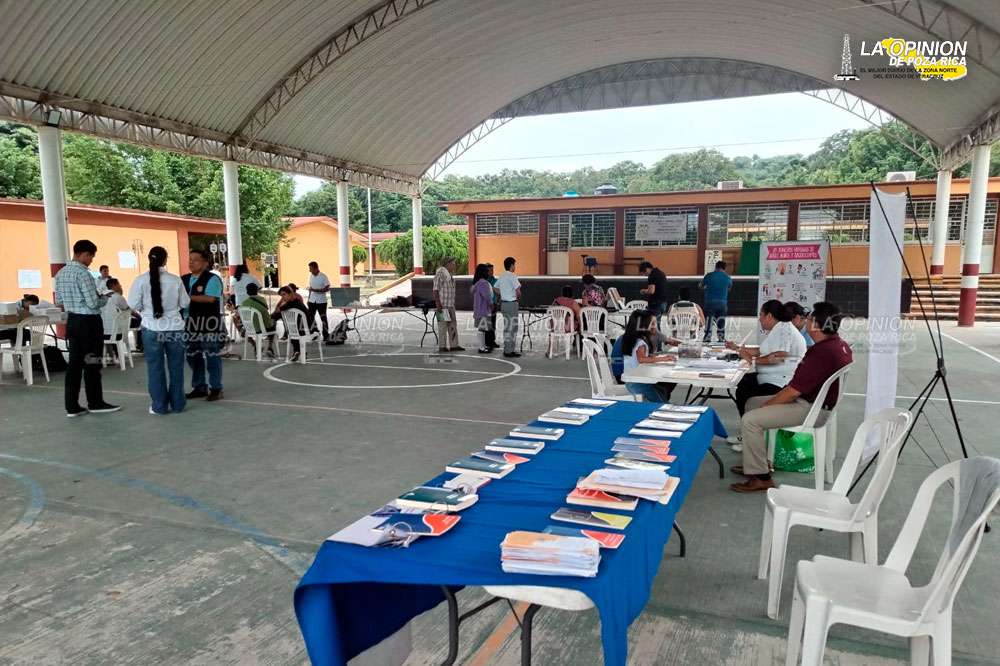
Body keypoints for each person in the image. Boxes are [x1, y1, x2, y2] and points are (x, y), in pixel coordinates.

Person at [731, 301, 853, 493]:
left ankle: (762, 478)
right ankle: (757, 464)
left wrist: (769, 405)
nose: (806, 322)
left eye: (810, 319)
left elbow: (792, 392)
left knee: (750, 420)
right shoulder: (839, 345)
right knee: (750, 403)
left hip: (811, 408)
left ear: (817, 325)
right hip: (813, 402)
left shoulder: (821, 352)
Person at [727, 300, 807, 455]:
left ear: (769, 316)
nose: (760, 319)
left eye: (761, 316)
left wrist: (753, 361)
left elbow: (780, 355)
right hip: (771, 376)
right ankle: (747, 433)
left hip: (781, 382)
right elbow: (761, 350)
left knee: (746, 392)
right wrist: (738, 348)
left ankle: (751, 435)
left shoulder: (784, 329)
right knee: (743, 382)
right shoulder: (779, 329)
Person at [53, 239, 120, 416]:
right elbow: (92, 303)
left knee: (74, 365)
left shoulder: (60, 273)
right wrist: (104, 298)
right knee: (92, 363)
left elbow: (58, 301)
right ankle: (95, 402)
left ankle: (72, 406)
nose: (91, 261)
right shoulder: (84, 274)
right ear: (84, 254)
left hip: (73, 321)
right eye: (91, 257)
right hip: (89, 323)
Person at [129, 246, 189, 415]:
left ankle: (159, 406)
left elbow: (133, 304)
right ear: (165, 260)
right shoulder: (175, 280)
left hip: (151, 327)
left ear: (149, 259)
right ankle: (178, 404)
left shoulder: (140, 280)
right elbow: (185, 303)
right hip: (175, 328)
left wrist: (146, 309)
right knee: (176, 367)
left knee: (155, 368)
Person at [182, 249, 225, 402]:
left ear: (205, 263)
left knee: (211, 355)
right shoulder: (184, 279)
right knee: (193, 356)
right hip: (189, 323)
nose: (191, 262)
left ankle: (216, 388)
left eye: (195, 260)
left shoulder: (212, 279)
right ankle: (199, 386)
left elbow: (210, 299)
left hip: (208, 324)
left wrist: (187, 298)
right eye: (190, 259)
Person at [620, 309, 678, 402]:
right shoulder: (641, 342)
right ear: (643, 325)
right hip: (638, 383)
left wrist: (654, 357)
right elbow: (641, 359)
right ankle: (665, 411)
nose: (656, 326)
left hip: (632, 382)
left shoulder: (631, 339)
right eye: (653, 323)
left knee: (662, 391)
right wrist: (665, 358)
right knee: (661, 402)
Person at [100, 278, 142, 353]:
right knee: (142, 323)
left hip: (103, 332)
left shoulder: (102, 297)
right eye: (118, 284)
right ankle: (140, 347)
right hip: (117, 331)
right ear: (114, 286)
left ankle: (113, 355)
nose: (120, 286)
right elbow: (130, 311)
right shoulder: (117, 297)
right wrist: (141, 318)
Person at [433, 256, 463, 351]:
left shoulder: (449, 275)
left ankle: (454, 345)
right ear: (448, 264)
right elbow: (435, 289)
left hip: (450, 305)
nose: (454, 266)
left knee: (453, 325)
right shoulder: (440, 275)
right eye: (453, 264)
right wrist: (438, 304)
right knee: (442, 326)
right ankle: (442, 346)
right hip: (443, 305)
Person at [240, 282, 277, 358]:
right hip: (264, 327)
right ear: (257, 291)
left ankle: (256, 346)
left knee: (246, 333)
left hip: (250, 328)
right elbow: (265, 310)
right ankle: (269, 347)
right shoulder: (262, 299)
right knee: (273, 324)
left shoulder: (243, 303)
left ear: (247, 292)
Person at [494, 256, 521, 358]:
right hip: (511, 303)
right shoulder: (512, 276)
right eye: (514, 264)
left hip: (504, 304)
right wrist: (518, 299)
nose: (515, 267)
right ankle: (510, 350)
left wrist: (503, 293)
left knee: (506, 327)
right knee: (512, 327)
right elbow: (518, 291)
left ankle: (507, 348)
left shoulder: (502, 276)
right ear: (511, 265)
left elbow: (494, 288)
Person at [699, 260, 732, 343]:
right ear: (725, 268)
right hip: (722, 303)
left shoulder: (709, 276)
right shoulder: (728, 278)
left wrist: (707, 287)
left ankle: (707, 338)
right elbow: (729, 289)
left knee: (709, 322)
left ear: (716, 267)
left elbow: (701, 286)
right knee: (721, 322)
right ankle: (721, 339)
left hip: (710, 303)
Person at [638, 261, 669, 350]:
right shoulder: (660, 273)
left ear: (648, 269)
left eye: (644, 272)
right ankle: (658, 346)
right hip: (663, 302)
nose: (645, 275)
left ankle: (657, 347)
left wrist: (644, 291)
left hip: (656, 303)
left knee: (654, 326)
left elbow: (651, 291)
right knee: (657, 324)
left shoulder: (653, 275)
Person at [274, 285, 310, 361]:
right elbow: (277, 314)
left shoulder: (294, 303)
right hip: (299, 328)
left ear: (291, 294)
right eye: (281, 295)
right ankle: (298, 351)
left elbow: (278, 312)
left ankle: (298, 351)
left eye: (284, 294)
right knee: (292, 331)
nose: (283, 297)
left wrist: (272, 317)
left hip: (306, 328)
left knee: (292, 331)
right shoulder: (289, 304)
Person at [470, 263, 494, 354]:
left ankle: (483, 346)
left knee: (482, 328)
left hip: (479, 309)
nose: (489, 272)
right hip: (484, 309)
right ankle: (481, 347)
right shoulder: (484, 283)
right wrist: (491, 304)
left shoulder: (477, 283)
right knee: (482, 329)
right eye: (487, 271)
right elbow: (487, 296)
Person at [306, 261, 331, 341]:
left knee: (323, 318)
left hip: (321, 301)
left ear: (316, 268)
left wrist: (317, 290)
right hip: (312, 300)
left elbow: (327, 288)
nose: (310, 270)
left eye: (311, 269)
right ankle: (315, 332)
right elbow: (310, 288)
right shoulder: (311, 276)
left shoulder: (323, 276)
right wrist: (309, 299)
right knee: (310, 317)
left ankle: (326, 334)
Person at [485, 263, 499, 350]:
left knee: (493, 323)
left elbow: (499, 291)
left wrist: (497, 302)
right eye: (489, 270)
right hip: (486, 305)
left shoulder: (495, 281)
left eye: (492, 270)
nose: (491, 272)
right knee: (486, 324)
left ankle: (492, 341)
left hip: (493, 304)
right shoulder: (483, 281)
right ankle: (487, 341)